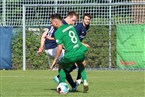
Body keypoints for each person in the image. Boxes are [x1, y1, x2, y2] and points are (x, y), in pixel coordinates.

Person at [37, 11, 78, 90]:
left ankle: (72, 85)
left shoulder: (55, 23)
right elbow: (60, 42)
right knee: (73, 64)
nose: (74, 23)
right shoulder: (61, 25)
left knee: (63, 67)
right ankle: (60, 79)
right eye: (73, 20)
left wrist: (41, 47)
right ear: (69, 17)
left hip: (48, 49)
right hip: (54, 48)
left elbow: (44, 35)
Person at [50, 13, 89, 92]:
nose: (51, 24)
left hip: (71, 54)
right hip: (80, 51)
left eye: (52, 23)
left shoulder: (57, 33)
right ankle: (85, 80)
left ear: (56, 22)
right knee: (81, 65)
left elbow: (59, 48)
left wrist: (55, 60)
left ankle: (62, 85)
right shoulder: (71, 27)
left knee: (61, 67)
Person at [74, 13, 92, 84]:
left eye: (88, 19)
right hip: (73, 47)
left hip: (78, 47)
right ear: (83, 20)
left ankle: (78, 79)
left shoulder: (87, 27)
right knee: (74, 65)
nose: (87, 21)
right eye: (86, 19)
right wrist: (83, 44)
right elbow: (74, 39)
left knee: (82, 63)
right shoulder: (78, 27)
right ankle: (59, 77)